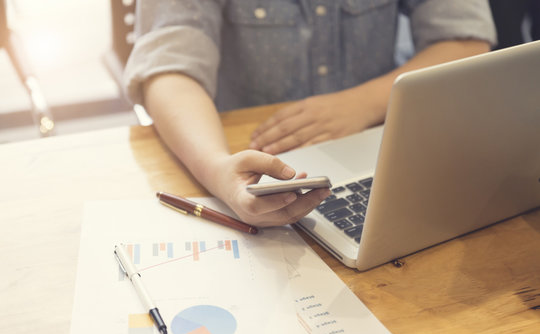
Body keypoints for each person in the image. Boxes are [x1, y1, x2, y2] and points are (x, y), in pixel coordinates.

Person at [124, 0, 496, 227]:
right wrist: (220, 172)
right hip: (240, 151)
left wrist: (364, 103)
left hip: (378, 144)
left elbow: (465, 38)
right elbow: (168, 69)